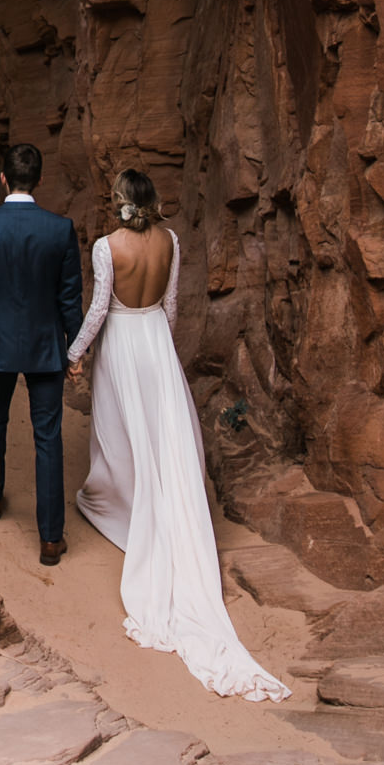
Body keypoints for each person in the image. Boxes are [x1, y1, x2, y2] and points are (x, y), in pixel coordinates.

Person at [67, 168, 288, 702]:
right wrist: (160, 355)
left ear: (119, 202)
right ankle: (154, 509)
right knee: (161, 438)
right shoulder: (170, 240)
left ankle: (122, 508)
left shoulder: (106, 246)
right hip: (154, 344)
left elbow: (99, 307)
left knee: (120, 435)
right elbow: (168, 308)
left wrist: (75, 353)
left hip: (121, 341)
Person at [0, 141, 83, 563]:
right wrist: (75, 351)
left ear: (3, 178)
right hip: (46, 347)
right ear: (40, 180)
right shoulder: (60, 230)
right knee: (48, 436)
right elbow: (69, 299)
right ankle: (50, 538)